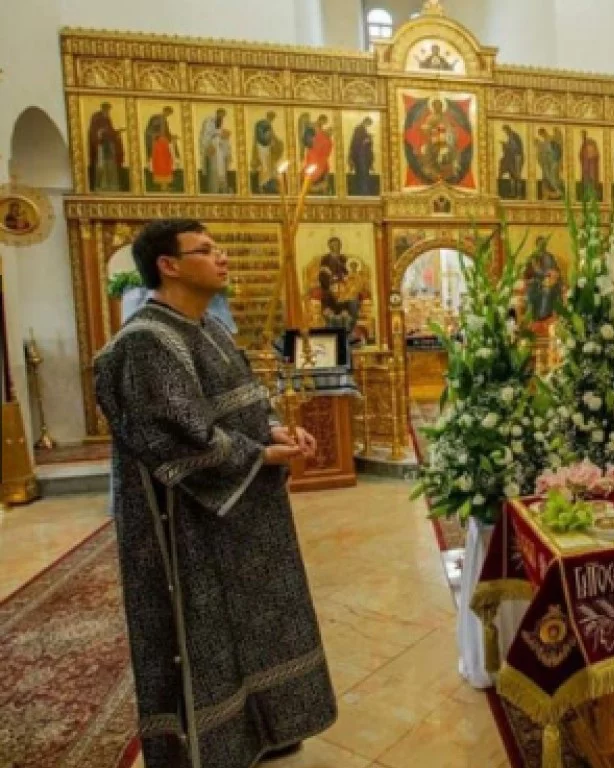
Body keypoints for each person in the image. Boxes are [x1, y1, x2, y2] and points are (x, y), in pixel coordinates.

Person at [94, 219, 337, 768]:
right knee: (206, 627)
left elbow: (244, 401)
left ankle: (267, 728)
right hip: (190, 522)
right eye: (205, 250)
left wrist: (275, 430)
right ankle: (215, 745)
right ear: (169, 266)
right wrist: (261, 455)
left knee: (258, 619)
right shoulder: (146, 343)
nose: (222, 256)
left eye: (220, 247)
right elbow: (178, 436)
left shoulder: (208, 328)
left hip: (244, 511)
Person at [88, 102, 126, 192]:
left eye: (108, 110)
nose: (108, 112)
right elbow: (95, 132)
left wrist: (117, 132)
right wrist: (101, 133)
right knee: (102, 165)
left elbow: (110, 131)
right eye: (107, 110)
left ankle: (112, 185)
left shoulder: (107, 119)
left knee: (111, 164)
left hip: (109, 145)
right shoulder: (96, 118)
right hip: (101, 146)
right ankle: (102, 186)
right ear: (103, 109)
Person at [198, 109, 232, 194]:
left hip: (221, 150)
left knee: (222, 172)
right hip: (212, 149)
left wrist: (224, 138)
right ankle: (213, 191)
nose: (222, 116)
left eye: (223, 115)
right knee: (213, 172)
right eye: (221, 114)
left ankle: (223, 190)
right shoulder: (209, 121)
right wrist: (209, 145)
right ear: (217, 113)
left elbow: (223, 137)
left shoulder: (221, 123)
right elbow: (206, 135)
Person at [144, 107, 178, 190]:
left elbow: (166, 133)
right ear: (164, 111)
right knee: (160, 164)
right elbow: (149, 131)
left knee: (167, 163)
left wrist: (172, 137)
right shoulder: (155, 118)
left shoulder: (165, 120)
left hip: (164, 145)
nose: (168, 114)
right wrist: (158, 136)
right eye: (168, 112)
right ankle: (162, 185)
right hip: (158, 146)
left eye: (169, 114)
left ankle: (165, 185)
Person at [251, 111, 284, 194]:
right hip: (262, 176)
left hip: (271, 175)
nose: (269, 135)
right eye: (266, 133)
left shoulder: (272, 143)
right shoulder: (257, 146)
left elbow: (278, 147)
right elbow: (254, 163)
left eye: (270, 133)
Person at [347, 116, 376, 196]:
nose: (369, 126)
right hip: (361, 156)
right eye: (369, 124)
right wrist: (367, 139)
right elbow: (357, 143)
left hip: (362, 157)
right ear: (366, 122)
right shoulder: (359, 129)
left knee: (362, 175)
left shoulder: (361, 129)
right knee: (362, 175)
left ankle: (362, 192)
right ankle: (363, 193)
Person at [579, 130, 601, 195]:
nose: (582, 136)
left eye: (583, 135)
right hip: (586, 165)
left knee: (592, 177)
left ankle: (593, 191)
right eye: (582, 135)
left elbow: (595, 154)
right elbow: (581, 154)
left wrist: (590, 156)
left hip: (591, 166)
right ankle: (586, 191)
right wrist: (583, 157)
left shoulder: (591, 142)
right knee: (586, 177)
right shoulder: (583, 144)